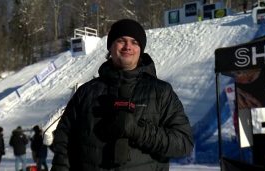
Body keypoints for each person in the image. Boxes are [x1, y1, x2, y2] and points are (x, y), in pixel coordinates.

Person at [51, 19, 194, 171]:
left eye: (134, 42)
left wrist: (139, 131)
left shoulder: (161, 92)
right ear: (110, 47)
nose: (128, 47)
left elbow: (184, 144)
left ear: (141, 50)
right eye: (121, 41)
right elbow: (64, 143)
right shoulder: (86, 93)